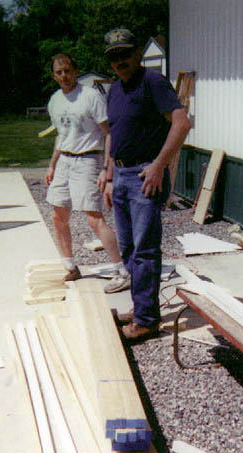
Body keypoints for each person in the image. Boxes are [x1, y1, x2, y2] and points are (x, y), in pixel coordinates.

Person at [102, 28, 192, 341]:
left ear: (137, 53)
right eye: (114, 57)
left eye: (125, 54)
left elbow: (182, 123)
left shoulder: (153, 82)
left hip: (144, 176)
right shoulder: (114, 89)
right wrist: (109, 176)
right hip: (121, 176)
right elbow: (114, 134)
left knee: (144, 250)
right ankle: (142, 308)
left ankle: (147, 320)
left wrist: (158, 165)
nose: (120, 61)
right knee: (129, 249)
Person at [45, 53, 130, 293]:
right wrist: (52, 165)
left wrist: (106, 168)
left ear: (75, 71)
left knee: (93, 218)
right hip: (64, 160)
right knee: (58, 215)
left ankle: (121, 271)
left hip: (88, 160)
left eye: (67, 71)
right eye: (59, 72)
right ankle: (70, 266)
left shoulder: (91, 96)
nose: (64, 76)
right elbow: (61, 136)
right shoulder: (54, 101)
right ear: (54, 76)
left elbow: (108, 133)